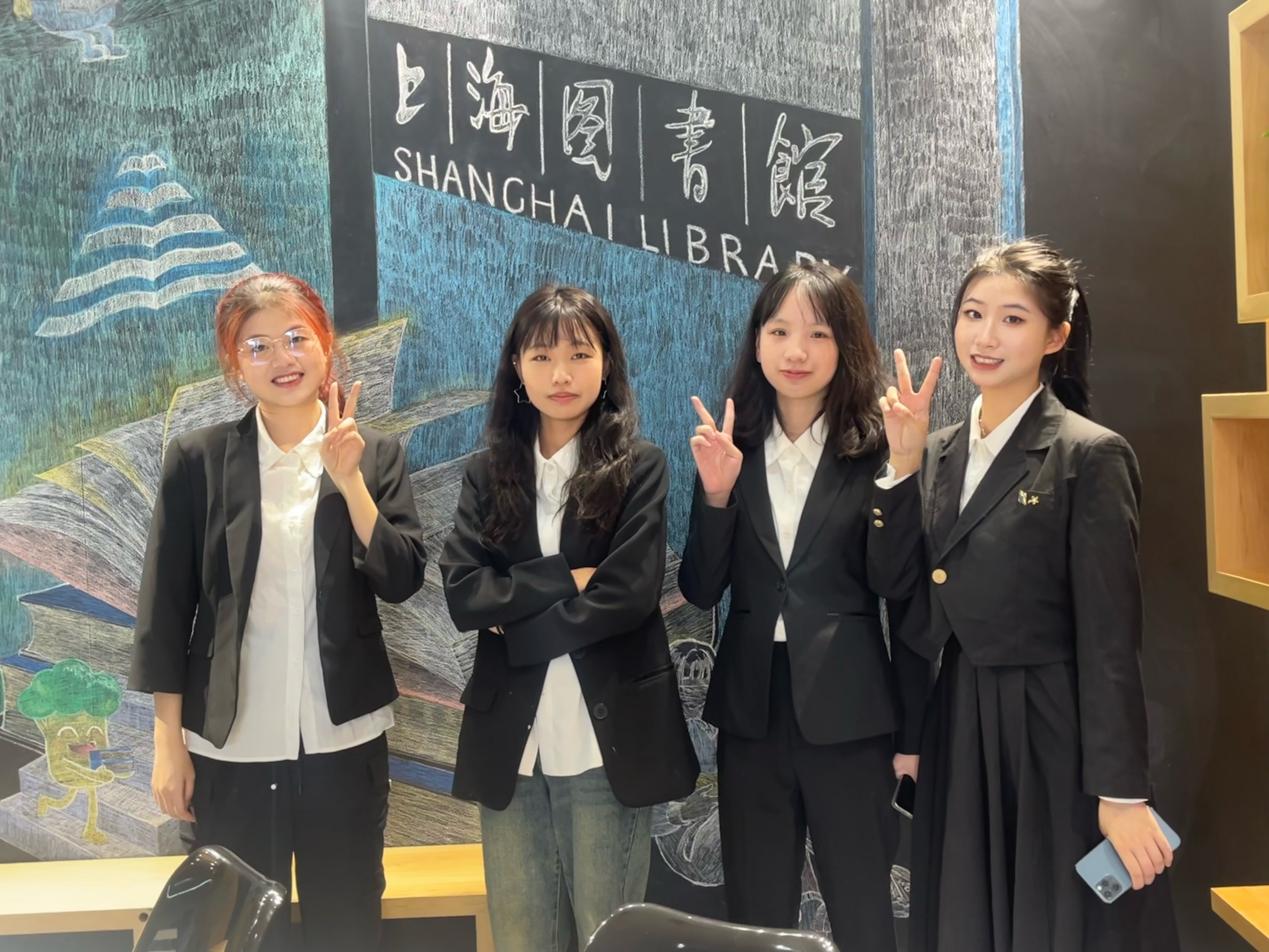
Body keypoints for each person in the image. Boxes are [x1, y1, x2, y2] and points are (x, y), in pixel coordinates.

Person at [875, 238, 1177, 951]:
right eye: (973, 313)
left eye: (1012, 319)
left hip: (1049, 729)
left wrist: (1120, 791)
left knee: (1049, 921)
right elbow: (900, 592)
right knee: (965, 920)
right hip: (956, 721)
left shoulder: (1088, 453)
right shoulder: (937, 449)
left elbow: (1110, 636)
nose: (986, 336)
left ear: (1055, 337)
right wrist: (903, 463)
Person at [130, 272, 427, 951]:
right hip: (229, 745)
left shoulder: (374, 455)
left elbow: (402, 578)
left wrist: (348, 481)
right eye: (257, 346)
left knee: (345, 926)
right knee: (240, 931)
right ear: (235, 366)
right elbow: (165, 612)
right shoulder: (198, 460)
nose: (281, 358)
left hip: (342, 741)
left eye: (296, 338)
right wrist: (168, 745)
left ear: (325, 345)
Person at [440, 284, 699, 952]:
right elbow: (465, 595)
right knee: (523, 939)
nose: (561, 374)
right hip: (513, 747)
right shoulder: (486, 475)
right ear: (517, 369)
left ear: (606, 364)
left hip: (605, 743)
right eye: (542, 357)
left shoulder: (640, 467)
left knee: (607, 938)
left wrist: (517, 624)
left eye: (580, 354)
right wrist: (566, 577)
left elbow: (628, 595)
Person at [678, 261, 928, 949]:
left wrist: (904, 472)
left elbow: (897, 586)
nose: (796, 351)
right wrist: (716, 495)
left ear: (846, 347)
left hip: (851, 715)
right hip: (752, 713)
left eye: (818, 334)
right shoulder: (730, 448)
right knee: (756, 912)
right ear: (757, 343)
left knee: (862, 909)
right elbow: (701, 589)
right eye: (780, 331)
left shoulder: (878, 449)